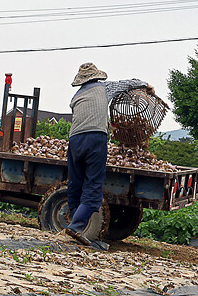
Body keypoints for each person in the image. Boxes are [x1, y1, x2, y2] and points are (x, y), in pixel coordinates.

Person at [63, 62, 154, 251]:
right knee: (93, 186)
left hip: (74, 141)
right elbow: (130, 83)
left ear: (81, 80)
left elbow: (85, 117)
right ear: (97, 77)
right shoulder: (105, 87)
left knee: (75, 184)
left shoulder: (76, 96)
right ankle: (77, 226)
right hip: (95, 140)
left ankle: (75, 222)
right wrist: (146, 85)